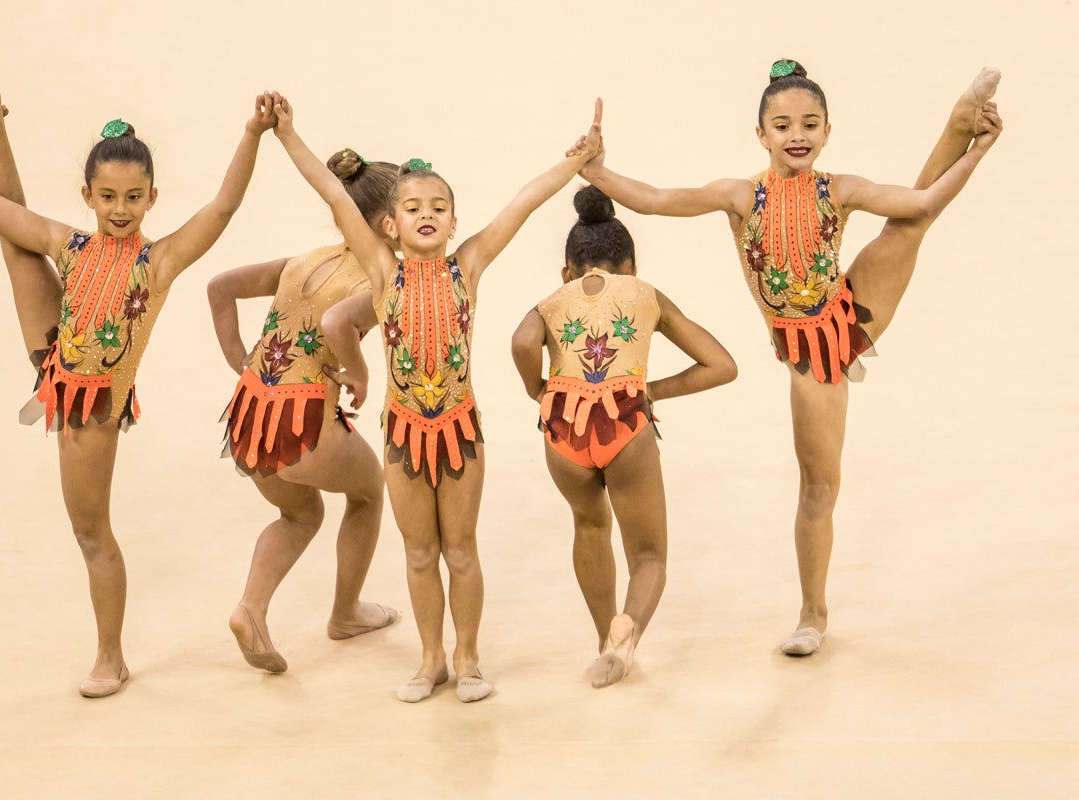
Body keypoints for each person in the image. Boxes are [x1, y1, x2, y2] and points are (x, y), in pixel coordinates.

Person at [576, 62, 1003, 655]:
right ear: (761, 134)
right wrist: (596, 170)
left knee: (909, 225)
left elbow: (925, 198)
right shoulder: (740, 196)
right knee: (818, 487)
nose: (796, 135)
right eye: (782, 126)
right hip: (809, 354)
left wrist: (979, 150)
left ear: (828, 130)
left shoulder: (839, 189)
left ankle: (962, 118)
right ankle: (813, 613)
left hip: (849, 309)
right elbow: (655, 200)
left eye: (809, 124)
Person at [0, 57, 278, 696]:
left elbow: (222, 208)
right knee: (14, 241)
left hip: (94, 408)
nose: (121, 208)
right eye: (107, 197)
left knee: (91, 531)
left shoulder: (158, 263)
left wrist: (252, 134)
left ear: (153, 197)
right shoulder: (71, 243)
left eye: (134, 197)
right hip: (55, 357)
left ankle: (111, 657)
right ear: (87, 196)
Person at [273, 93, 601, 702]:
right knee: (420, 552)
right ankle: (431, 661)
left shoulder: (467, 266)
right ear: (390, 225)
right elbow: (335, 195)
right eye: (413, 208)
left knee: (461, 550)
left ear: (453, 221)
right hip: (403, 433)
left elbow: (522, 203)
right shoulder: (383, 272)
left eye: (439, 207)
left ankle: (468, 657)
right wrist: (288, 134)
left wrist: (575, 161)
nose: (427, 215)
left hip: (458, 430)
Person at [511, 185, 737, 687]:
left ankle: (603, 642)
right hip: (624, 420)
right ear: (631, 266)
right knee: (649, 555)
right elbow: (722, 365)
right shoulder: (643, 293)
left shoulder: (551, 301)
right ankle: (626, 633)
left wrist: (537, 388)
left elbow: (523, 341)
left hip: (564, 426)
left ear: (567, 271)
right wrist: (650, 390)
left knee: (589, 525)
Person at [207, 149, 401, 674]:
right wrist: (359, 372)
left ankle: (250, 609)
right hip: (301, 420)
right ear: (390, 222)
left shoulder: (305, 259)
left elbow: (220, 288)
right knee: (369, 490)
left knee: (299, 514)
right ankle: (346, 612)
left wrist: (241, 362)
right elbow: (338, 322)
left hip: (248, 414)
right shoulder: (383, 279)